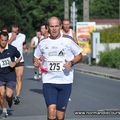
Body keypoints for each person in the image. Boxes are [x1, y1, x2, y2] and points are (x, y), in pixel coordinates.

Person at [34, 16, 82, 120]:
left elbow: (79, 55)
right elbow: (35, 57)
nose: (54, 29)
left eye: (56, 26)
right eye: (51, 26)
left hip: (65, 82)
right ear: (48, 27)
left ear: (60, 26)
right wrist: (37, 62)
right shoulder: (43, 42)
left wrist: (72, 62)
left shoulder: (68, 40)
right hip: (49, 81)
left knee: (60, 116)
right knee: (51, 112)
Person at [0, 31, 21, 118]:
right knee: (1, 94)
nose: (4, 42)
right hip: (0, 75)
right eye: (2, 40)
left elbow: (19, 56)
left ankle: (10, 100)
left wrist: (15, 62)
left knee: (8, 95)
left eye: (5, 40)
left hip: (10, 75)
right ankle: (4, 110)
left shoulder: (12, 48)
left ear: (7, 40)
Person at [8, 24, 28, 105]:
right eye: (14, 27)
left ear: (18, 28)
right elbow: (4, 45)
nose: (15, 29)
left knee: (19, 78)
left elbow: (24, 43)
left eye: (16, 27)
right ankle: (10, 94)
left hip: (20, 59)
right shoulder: (8, 35)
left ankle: (17, 96)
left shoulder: (22, 36)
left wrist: (25, 48)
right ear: (11, 28)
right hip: (9, 61)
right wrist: (12, 39)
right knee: (10, 79)